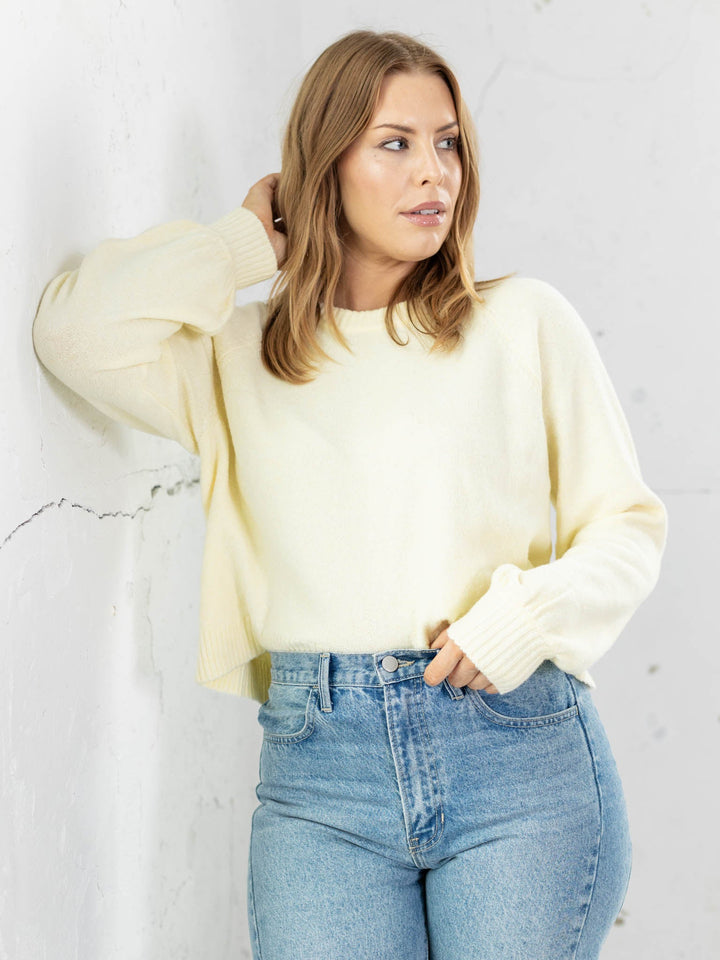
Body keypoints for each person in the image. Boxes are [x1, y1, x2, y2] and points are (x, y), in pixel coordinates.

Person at [32, 28, 667, 960]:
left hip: (516, 762)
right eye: (396, 143)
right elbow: (77, 334)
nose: (434, 174)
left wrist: (522, 618)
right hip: (320, 776)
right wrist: (247, 243)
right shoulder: (241, 358)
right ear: (323, 167)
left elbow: (627, 526)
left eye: (448, 141)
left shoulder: (522, 323)